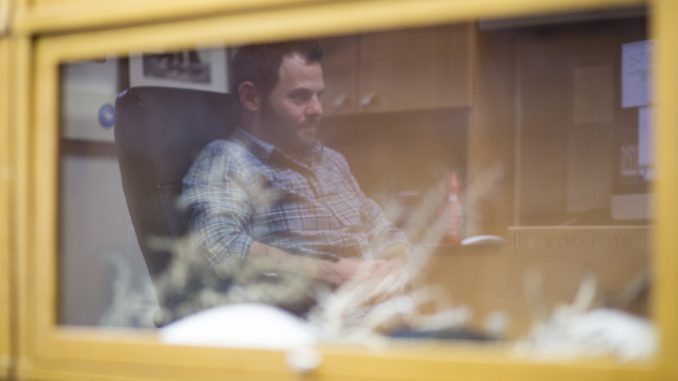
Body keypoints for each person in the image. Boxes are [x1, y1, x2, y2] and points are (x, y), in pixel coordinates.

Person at [180, 40, 413, 298]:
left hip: (388, 312)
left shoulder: (333, 162)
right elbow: (215, 246)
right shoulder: (228, 159)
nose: (317, 109)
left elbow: (383, 229)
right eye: (300, 97)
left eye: (319, 96)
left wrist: (398, 264)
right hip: (319, 325)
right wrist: (332, 272)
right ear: (251, 98)